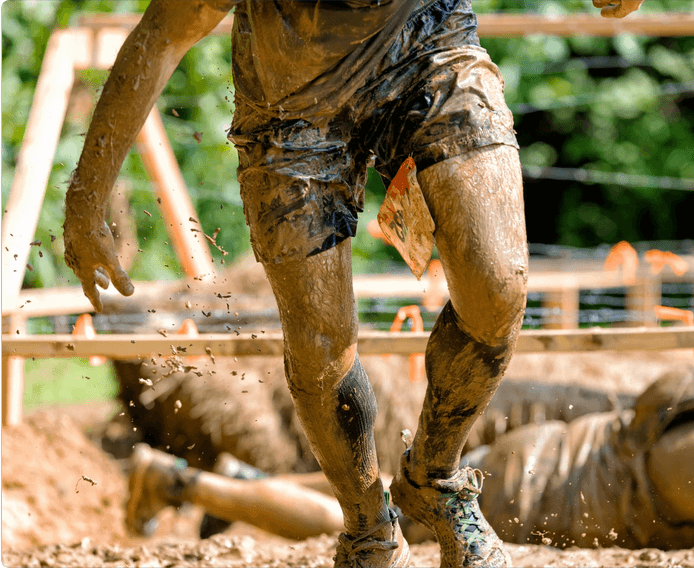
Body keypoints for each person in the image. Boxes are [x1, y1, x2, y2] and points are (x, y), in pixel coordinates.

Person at [62, 1, 644, 566]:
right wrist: (87, 198)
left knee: (498, 287)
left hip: (428, 43)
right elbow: (162, 33)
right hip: (290, 98)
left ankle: (435, 478)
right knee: (321, 350)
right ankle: (368, 526)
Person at [126, 361, 694, 550]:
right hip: (527, 501)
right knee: (372, 528)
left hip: (529, 452)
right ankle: (181, 483)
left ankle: (240, 480)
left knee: (379, 492)